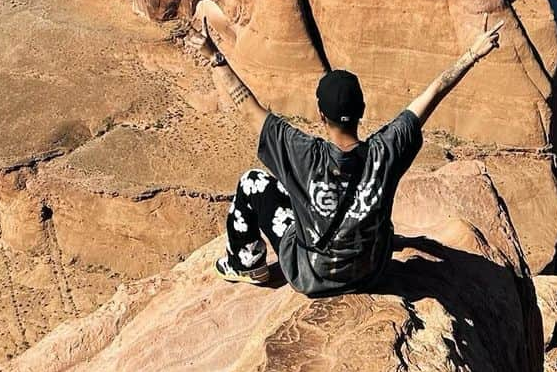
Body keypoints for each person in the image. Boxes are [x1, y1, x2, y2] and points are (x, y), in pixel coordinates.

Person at [206, 19, 503, 297]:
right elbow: (434, 92)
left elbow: (248, 108)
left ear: (321, 114)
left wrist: (214, 55)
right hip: (371, 273)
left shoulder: (302, 154)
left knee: (254, 182)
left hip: (310, 274)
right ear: (362, 110)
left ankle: (247, 263)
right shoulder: (386, 152)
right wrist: (471, 55)